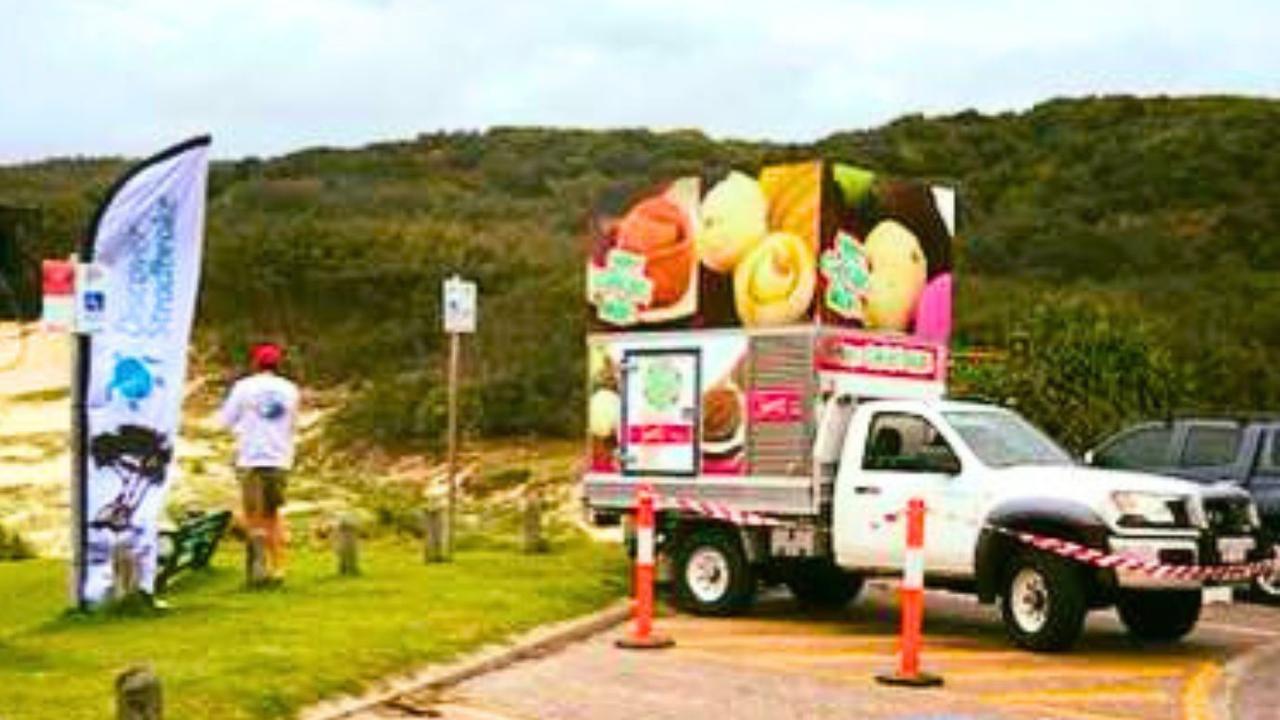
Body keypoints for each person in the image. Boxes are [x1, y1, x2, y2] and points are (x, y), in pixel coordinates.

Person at [219, 342, 300, 581]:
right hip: (280, 457)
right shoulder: (290, 389)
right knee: (273, 514)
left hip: (251, 456)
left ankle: (258, 565)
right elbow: (293, 424)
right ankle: (279, 566)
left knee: (253, 514)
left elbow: (225, 420)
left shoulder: (244, 387)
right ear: (277, 364)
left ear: (255, 363)